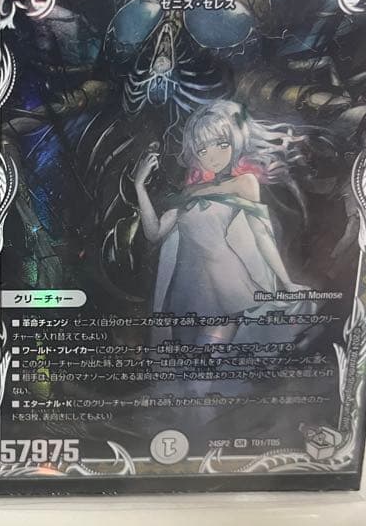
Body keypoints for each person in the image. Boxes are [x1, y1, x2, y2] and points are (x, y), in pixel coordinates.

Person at [133, 100, 313, 346]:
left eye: (222, 144)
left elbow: (261, 234)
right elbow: (154, 233)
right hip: (185, 291)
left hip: (226, 286)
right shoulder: (189, 192)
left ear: (235, 142)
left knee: (209, 361)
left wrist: (286, 281)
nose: (213, 156)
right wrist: (139, 186)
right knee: (184, 362)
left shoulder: (244, 183)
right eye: (203, 149)